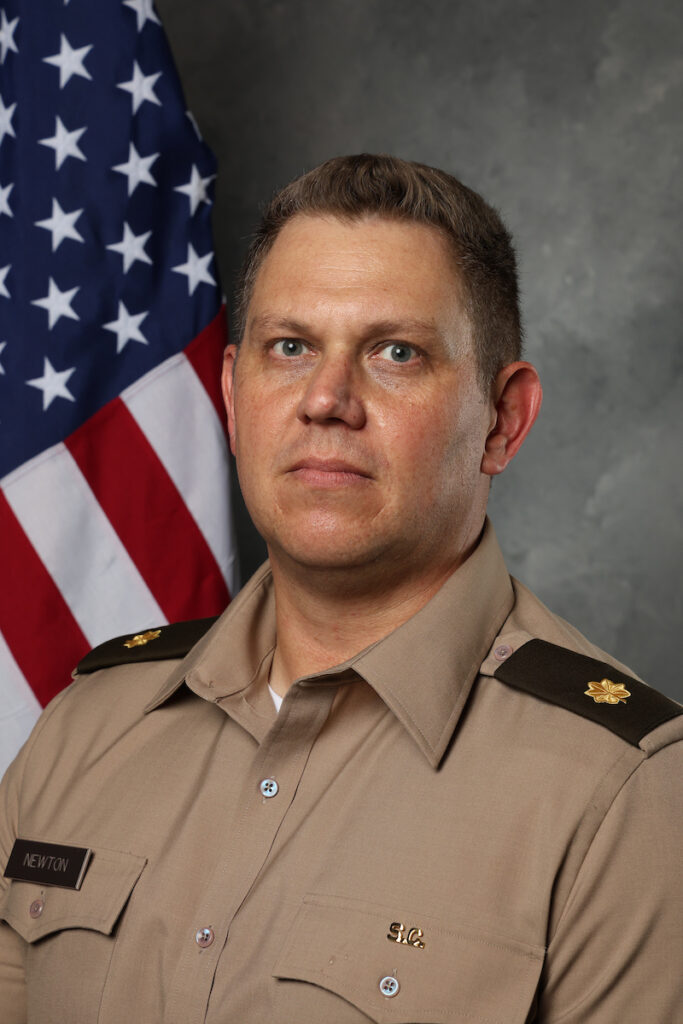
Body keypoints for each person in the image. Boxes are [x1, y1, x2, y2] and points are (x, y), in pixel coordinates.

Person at [0, 154, 681, 1023]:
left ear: (502, 421)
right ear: (233, 398)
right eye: (290, 348)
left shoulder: (625, 796)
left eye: (395, 353)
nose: (326, 399)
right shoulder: (88, 728)